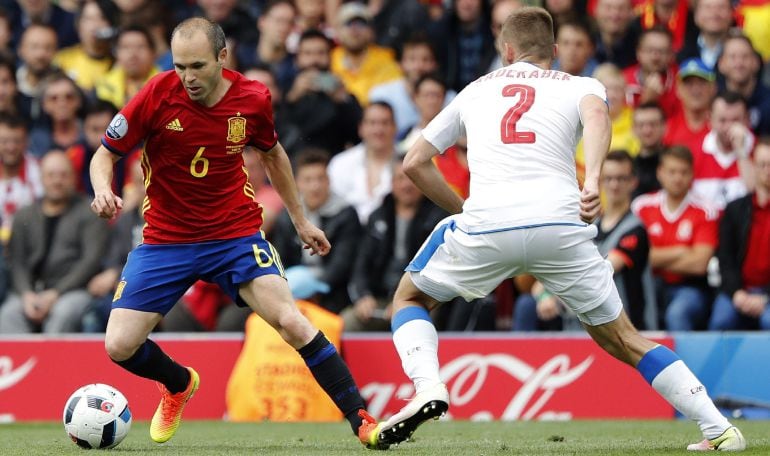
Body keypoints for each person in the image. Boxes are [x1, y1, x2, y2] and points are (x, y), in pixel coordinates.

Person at [361, 7, 746, 451]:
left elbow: (413, 163)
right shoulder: (581, 84)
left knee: (409, 298)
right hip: (561, 223)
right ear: (555, 52)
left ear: (507, 51)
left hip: (487, 225)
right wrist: (595, 180)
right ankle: (718, 428)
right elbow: (598, 119)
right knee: (622, 336)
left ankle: (428, 385)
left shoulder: (473, 91)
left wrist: (465, 210)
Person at [89, 17, 384, 449]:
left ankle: (363, 421)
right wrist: (102, 189)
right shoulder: (156, 93)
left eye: (197, 66)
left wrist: (301, 221)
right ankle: (178, 384)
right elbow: (105, 154)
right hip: (166, 239)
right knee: (118, 345)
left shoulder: (253, 99)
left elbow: (274, 155)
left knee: (292, 322)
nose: (187, 77)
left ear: (222, 58)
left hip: (234, 235)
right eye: (179, 66)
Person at [0, 151, 109, 333]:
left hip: (74, 291)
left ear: (74, 178)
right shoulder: (24, 215)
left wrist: (56, 293)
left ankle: (53, 363)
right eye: (51, 175)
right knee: (8, 314)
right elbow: (16, 261)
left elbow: (90, 261)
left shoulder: (90, 211)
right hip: (29, 292)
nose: (57, 181)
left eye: (63, 175)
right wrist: (26, 294)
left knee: (62, 314)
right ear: (41, 178)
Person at [632, 146, 719, 331]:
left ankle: (680, 361)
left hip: (690, 287)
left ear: (692, 174)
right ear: (660, 173)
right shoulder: (641, 207)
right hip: (648, 284)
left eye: (683, 172)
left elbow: (699, 264)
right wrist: (681, 251)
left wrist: (654, 258)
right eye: (672, 172)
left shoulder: (705, 210)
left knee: (678, 313)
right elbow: (634, 256)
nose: (678, 178)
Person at [708, 140, 770, 330]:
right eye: (763, 164)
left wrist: (766, 296)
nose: (768, 170)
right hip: (738, 290)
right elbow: (725, 258)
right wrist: (736, 293)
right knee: (720, 322)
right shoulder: (735, 209)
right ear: (753, 166)